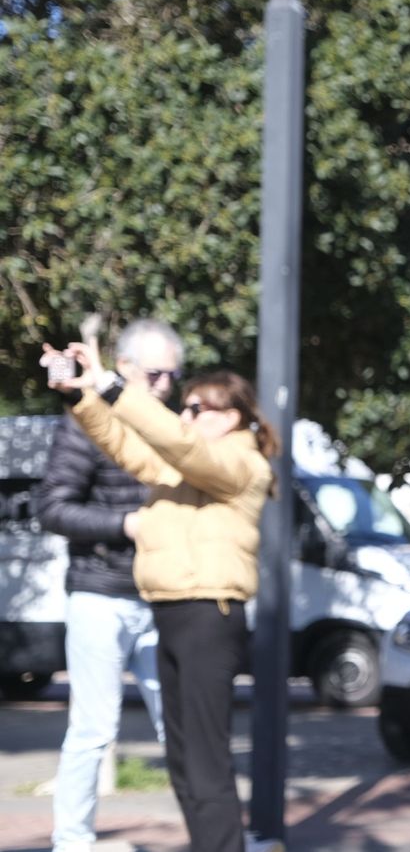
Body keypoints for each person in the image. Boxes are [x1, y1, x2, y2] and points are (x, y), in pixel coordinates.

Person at [43, 341, 276, 852]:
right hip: (170, 610)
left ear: (233, 417)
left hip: (208, 615)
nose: (186, 413)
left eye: (198, 408)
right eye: (185, 406)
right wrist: (83, 397)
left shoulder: (243, 466)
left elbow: (182, 446)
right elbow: (126, 446)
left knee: (206, 758)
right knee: (183, 758)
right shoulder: (187, 465)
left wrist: (113, 384)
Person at [36, 319, 183, 852]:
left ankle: (211, 833)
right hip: (100, 592)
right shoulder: (85, 423)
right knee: (93, 729)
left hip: (163, 594)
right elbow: (51, 507)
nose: (165, 384)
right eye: (154, 374)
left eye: (172, 374)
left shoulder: (172, 426)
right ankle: (71, 842)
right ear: (121, 368)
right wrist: (124, 526)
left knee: (182, 724)